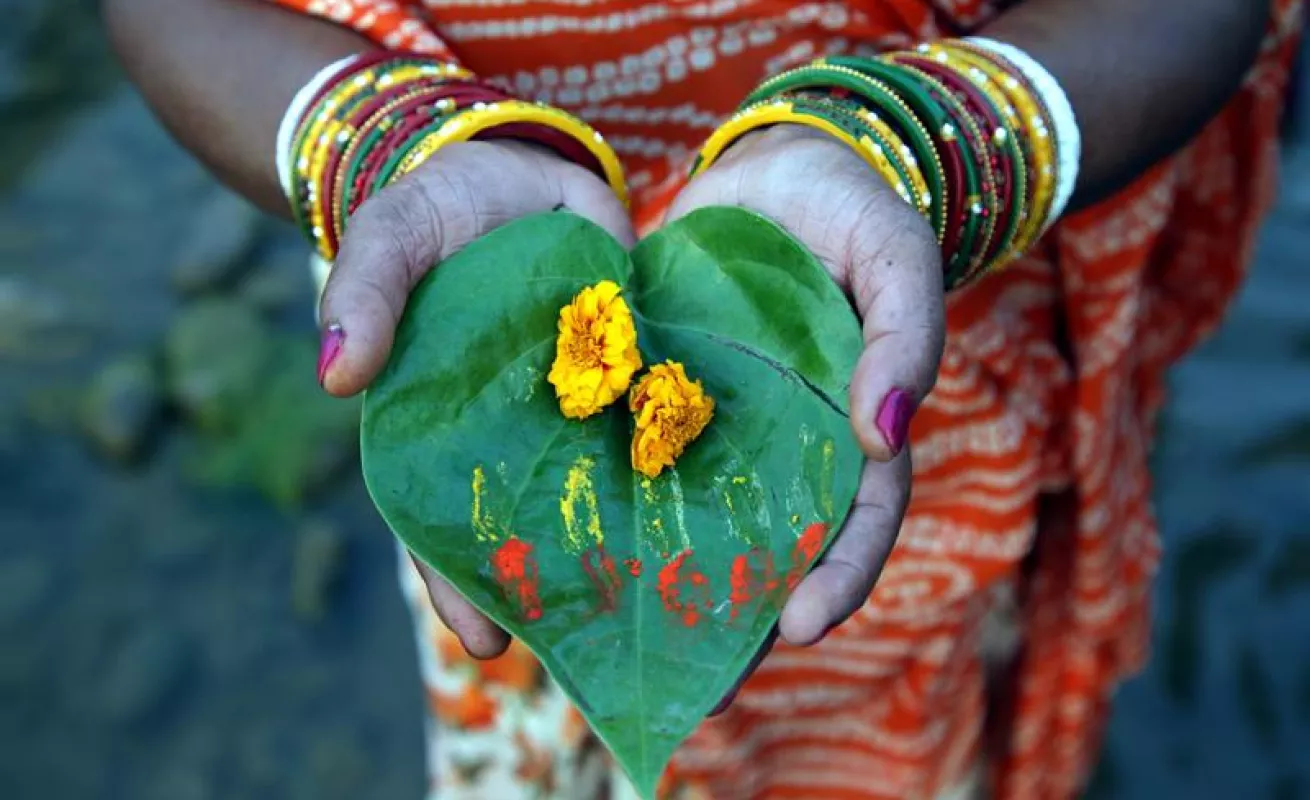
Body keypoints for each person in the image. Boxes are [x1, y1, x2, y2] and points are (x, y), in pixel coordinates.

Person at [103, 0, 1301, 797]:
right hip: (470, 290)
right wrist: (379, 140)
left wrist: (926, 143)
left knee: (905, 708)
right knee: (559, 666)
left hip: (887, 328)